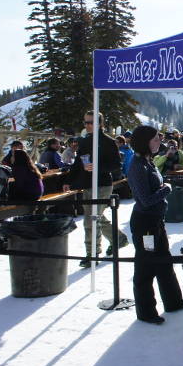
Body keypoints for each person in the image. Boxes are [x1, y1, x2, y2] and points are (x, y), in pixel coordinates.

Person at [126, 125, 183, 324]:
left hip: (155, 221)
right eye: (155, 139)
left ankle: (174, 301)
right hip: (145, 224)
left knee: (164, 262)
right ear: (145, 142)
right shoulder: (137, 165)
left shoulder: (147, 162)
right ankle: (146, 312)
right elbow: (145, 199)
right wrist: (167, 188)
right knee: (145, 267)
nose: (159, 142)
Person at [65, 110, 129, 267]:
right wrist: (68, 180)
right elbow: (78, 163)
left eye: (90, 122)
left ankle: (92, 253)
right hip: (87, 184)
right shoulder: (85, 141)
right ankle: (118, 239)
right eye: (85, 122)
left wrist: (98, 167)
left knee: (91, 219)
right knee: (96, 216)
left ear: (100, 124)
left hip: (102, 184)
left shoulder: (108, 141)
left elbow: (116, 165)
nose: (87, 125)